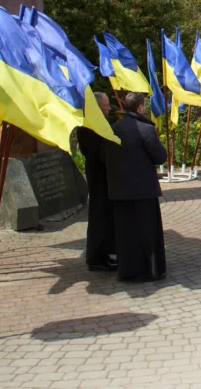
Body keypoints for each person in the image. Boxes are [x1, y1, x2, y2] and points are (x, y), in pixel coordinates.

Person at [105, 92, 167, 281]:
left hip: (120, 190)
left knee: (125, 234)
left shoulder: (112, 129)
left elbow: (103, 158)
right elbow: (161, 157)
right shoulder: (145, 129)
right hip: (142, 191)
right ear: (140, 107)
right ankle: (146, 271)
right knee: (146, 233)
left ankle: (127, 271)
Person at [77, 92, 116, 272]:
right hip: (98, 177)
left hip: (103, 177)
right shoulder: (89, 126)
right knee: (98, 217)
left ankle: (105, 253)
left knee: (105, 217)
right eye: (106, 106)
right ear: (98, 108)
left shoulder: (97, 124)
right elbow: (97, 153)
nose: (109, 108)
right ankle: (95, 258)